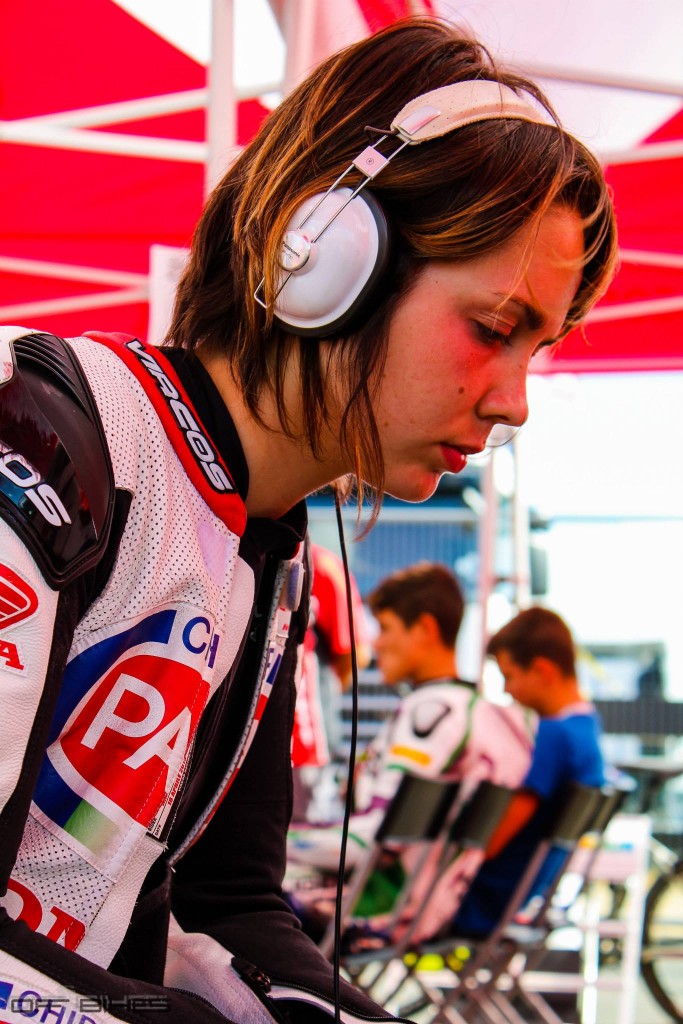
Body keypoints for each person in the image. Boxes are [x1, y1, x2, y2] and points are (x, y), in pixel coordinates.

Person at [0, 15, 617, 1024]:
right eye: (493, 329)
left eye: (534, 349)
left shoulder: (270, 547)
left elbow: (230, 906)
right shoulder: (49, 442)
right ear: (325, 258)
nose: (513, 401)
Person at [286, 563, 536, 942]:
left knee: (232, 883)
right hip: (435, 900)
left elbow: (370, 841)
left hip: (383, 905)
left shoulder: (431, 711)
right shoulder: (478, 710)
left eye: (385, 627)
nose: (375, 642)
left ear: (425, 630)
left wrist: (281, 841)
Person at [416, 606, 606, 942]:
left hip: (476, 904)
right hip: (518, 900)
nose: (507, 690)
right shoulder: (587, 729)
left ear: (542, 670)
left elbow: (488, 843)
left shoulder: (550, 737)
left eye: (509, 676)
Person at [291, 541, 371, 821]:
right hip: (239, 733)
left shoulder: (321, 564)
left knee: (297, 837)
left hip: (304, 742)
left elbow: (354, 653)